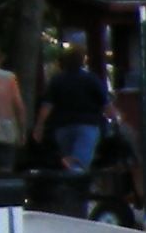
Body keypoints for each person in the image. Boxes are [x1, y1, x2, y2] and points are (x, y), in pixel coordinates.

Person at [41, 44, 111, 174]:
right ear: (83, 60)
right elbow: (105, 104)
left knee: (67, 162)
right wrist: (115, 118)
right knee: (79, 162)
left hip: (62, 126)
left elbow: (47, 105)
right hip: (87, 124)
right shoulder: (91, 79)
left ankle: (69, 189)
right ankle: (78, 189)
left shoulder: (57, 80)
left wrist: (39, 126)